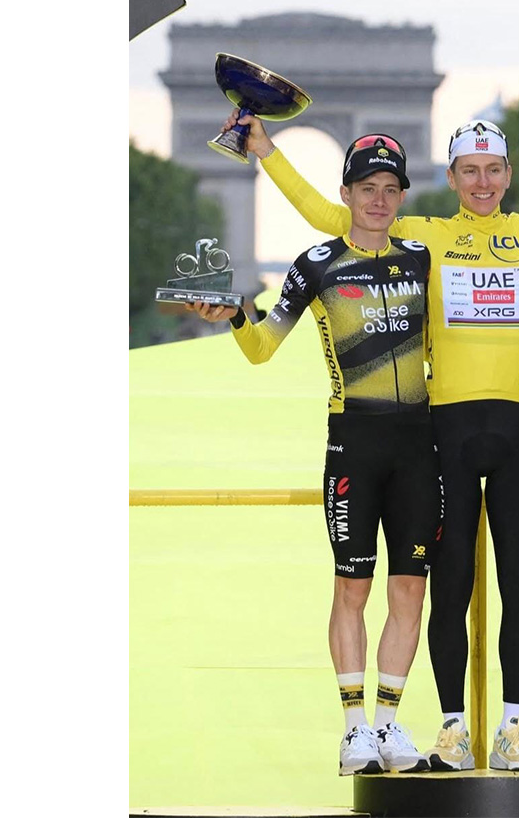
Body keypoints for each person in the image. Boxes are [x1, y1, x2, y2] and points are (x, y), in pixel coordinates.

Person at [221, 109, 519, 771]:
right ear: (451, 175)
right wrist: (266, 150)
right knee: (448, 587)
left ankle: (513, 727)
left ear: (509, 173)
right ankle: (449, 727)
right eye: (469, 171)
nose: (482, 182)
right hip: (446, 428)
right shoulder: (423, 237)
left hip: (517, 427)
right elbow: (336, 221)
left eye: (494, 169)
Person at [188, 135, 441, 776]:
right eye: (367, 190)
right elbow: (263, 345)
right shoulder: (318, 262)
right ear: (346, 195)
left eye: (390, 190)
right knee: (352, 587)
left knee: (410, 589)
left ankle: (388, 725)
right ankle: (353, 728)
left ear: (402, 197)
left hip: (418, 444)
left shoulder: (422, 258)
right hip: (353, 442)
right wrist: (235, 315)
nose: (379, 201)